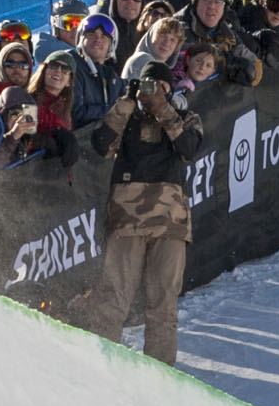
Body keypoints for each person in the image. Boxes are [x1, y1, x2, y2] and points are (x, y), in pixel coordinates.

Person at [80, 63, 207, 364]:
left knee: (163, 302)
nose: (153, 93)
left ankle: (160, 371)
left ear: (170, 88)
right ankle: (101, 363)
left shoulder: (185, 116)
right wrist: (126, 101)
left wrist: (163, 109)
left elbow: (189, 147)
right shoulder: (127, 118)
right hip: (126, 218)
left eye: (160, 86)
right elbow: (101, 144)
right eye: (147, 86)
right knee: (114, 297)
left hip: (170, 222)